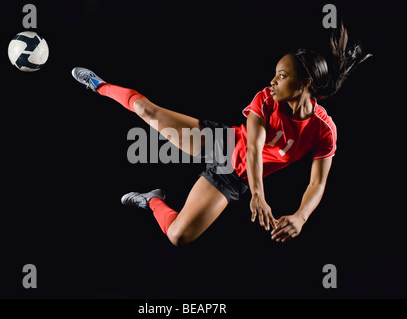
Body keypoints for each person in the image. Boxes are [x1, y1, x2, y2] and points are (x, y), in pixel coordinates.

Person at [71, 24, 371, 246]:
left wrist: (301, 216)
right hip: (222, 142)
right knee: (148, 112)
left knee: (178, 236)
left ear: (304, 83)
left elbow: (317, 183)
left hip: (232, 178)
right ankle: (98, 84)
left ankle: (151, 200)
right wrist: (258, 195)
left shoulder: (324, 130)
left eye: (282, 75)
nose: (273, 80)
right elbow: (253, 148)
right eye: (275, 73)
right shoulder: (265, 99)